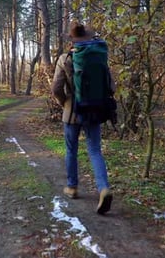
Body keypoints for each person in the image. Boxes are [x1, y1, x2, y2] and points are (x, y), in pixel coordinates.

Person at [51, 21, 113, 215]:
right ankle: (103, 188)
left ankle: (72, 187)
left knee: (71, 150)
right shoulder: (99, 57)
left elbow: (56, 88)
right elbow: (111, 87)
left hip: (72, 113)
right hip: (94, 110)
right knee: (95, 150)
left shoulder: (65, 58)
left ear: (72, 39)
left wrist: (64, 103)